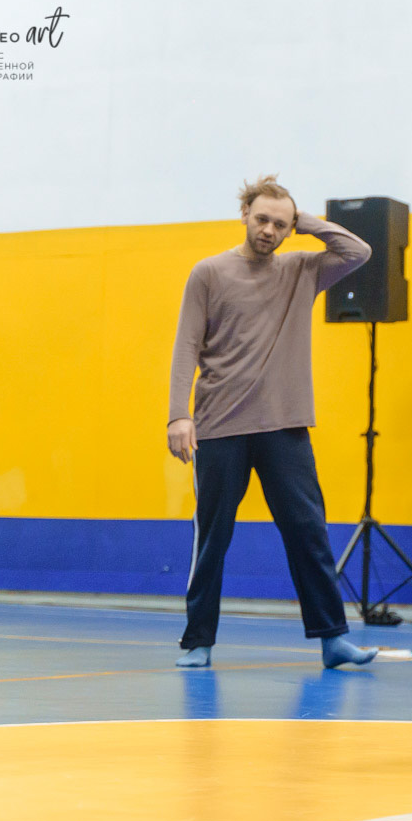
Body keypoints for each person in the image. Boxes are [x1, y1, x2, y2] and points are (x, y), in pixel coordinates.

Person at [166, 175, 379, 670]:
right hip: (220, 427)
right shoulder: (208, 273)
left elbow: (358, 251)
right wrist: (179, 414)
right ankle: (198, 641)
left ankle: (333, 640)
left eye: (280, 224)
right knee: (212, 537)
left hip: (285, 427)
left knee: (309, 532)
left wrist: (305, 221)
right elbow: (186, 346)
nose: (269, 230)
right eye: (262, 219)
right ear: (244, 214)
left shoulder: (302, 270)